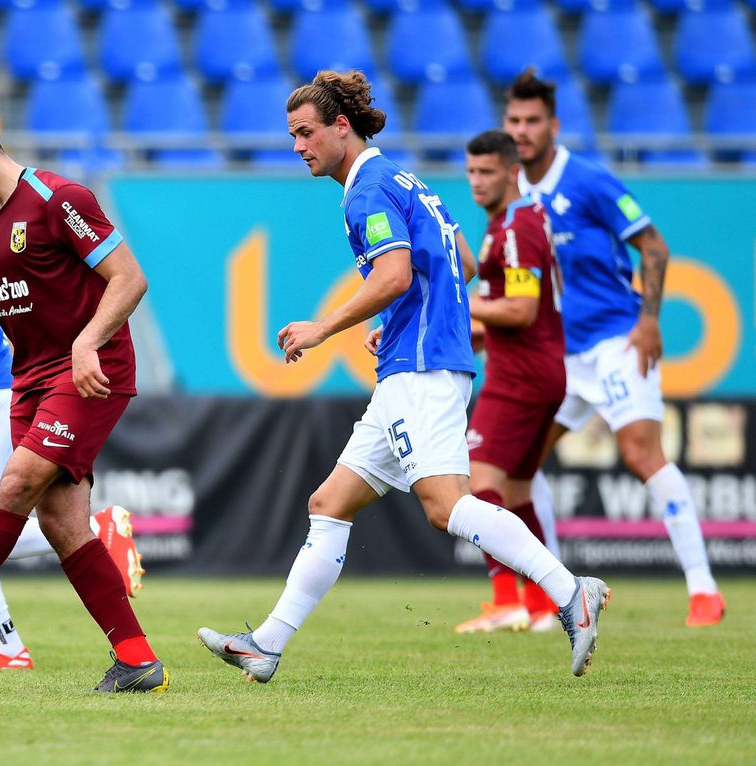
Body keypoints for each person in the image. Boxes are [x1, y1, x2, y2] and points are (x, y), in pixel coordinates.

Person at [197, 70, 609, 682]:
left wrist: (323, 328)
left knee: (446, 507)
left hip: (421, 371)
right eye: (292, 135)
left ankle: (569, 589)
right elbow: (461, 261)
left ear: (342, 126)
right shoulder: (406, 180)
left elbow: (392, 275)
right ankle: (267, 645)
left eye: (306, 133)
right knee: (329, 503)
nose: (298, 146)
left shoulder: (367, 191)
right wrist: (402, 318)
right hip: (415, 362)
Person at [0, 108, 168, 693]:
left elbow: (129, 277)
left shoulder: (56, 197)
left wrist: (89, 341)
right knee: (62, 523)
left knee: (15, 485)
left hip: (90, 371)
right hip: (31, 380)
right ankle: (137, 659)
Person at [503, 70, 725, 627]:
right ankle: (560, 595)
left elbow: (653, 244)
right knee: (518, 468)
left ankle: (704, 591)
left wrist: (649, 321)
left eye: (532, 121)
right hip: (559, 354)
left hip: (614, 341)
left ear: (553, 126)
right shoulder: (512, 191)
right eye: (514, 121)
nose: (523, 130)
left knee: (642, 454)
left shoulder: (588, 180)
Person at [455, 130, 564, 635]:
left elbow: (520, 310)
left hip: (520, 377)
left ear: (511, 170)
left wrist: (453, 302)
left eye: (486, 172)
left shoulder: (518, 226)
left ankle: (506, 600)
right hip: (536, 371)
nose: (476, 182)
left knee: (478, 489)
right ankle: (543, 606)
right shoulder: (509, 223)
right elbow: (503, 314)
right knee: (516, 493)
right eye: (471, 171)